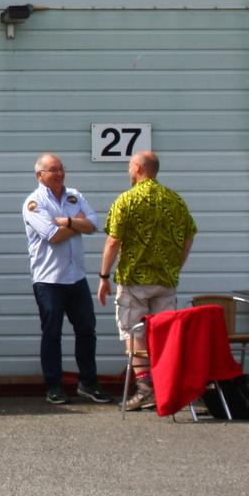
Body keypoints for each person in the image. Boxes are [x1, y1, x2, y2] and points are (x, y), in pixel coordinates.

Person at [97, 151, 197, 411]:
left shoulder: (126, 200)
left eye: (130, 166)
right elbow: (189, 236)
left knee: (134, 332)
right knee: (164, 334)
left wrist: (104, 276)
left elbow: (113, 240)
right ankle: (167, 386)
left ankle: (144, 388)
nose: (128, 170)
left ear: (139, 168)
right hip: (165, 280)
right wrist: (175, 266)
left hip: (133, 280)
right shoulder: (175, 200)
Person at [21, 154, 109, 405]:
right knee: (52, 334)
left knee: (86, 330)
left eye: (61, 169)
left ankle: (88, 383)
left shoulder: (74, 195)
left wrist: (68, 221)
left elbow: (93, 225)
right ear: (40, 175)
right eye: (52, 170)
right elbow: (53, 236)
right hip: (49, 279)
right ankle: (54, 386)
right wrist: (77, 224)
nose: (59, 174)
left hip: (76, 277)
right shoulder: (34, 203)